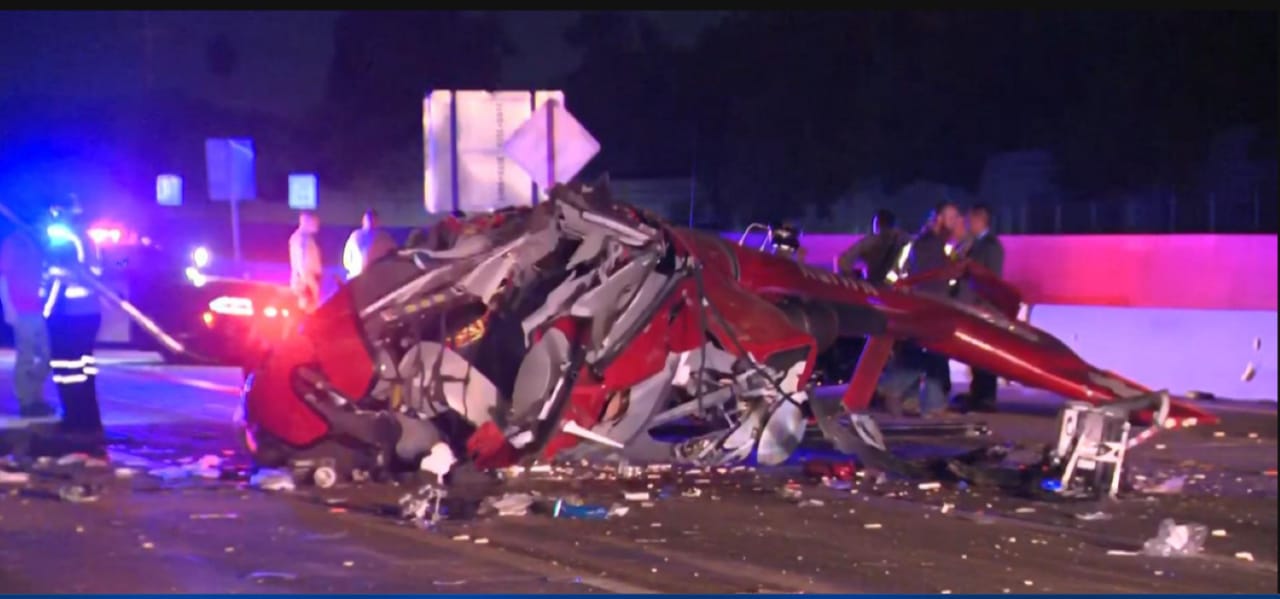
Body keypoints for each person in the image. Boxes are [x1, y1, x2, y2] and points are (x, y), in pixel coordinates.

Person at [878, 202, 963, 419]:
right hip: (928, 308)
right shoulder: (928, 245)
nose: (955, 223)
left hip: (932, 306)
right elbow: (932, 279)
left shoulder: (937, 244)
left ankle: (924, 400)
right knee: (932, 354)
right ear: (938, 219)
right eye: (951, 218)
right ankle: (908, 394)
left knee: (931, 354)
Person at [42, 196, 106, 439]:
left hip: (67, 315)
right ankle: (89, 419)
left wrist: (46, 310)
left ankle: (75, 420)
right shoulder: (87, 237)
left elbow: (57, 280)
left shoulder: (64, 238)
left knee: (67, 369)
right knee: (84, 368)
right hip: (88, 313)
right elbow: (94, 273)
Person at [955, 203, 1005, 413]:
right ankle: (978, 393)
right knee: (975, 354)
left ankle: (986, 397)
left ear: (979, 219)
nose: (967, 224)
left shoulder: (991, 246)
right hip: (973, 305)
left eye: (970, 220)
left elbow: (990, 278)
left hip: (982, 306)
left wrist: (983, 305)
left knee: (984, 354)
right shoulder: (976, 244)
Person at [1, 225, 54, 418]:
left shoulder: (40, 244)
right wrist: (8, 307)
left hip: (41, 308)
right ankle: (28, 402)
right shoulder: (14, 243)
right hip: (22, 308)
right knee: (26, 356)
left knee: (48, 355)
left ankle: (34, 396)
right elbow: (3, 277)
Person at [836, 209, 908, 284]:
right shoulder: (906, 240)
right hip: (901, 287)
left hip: (875, 287)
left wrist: (853, 280)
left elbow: (844, 262)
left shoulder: (871, 241)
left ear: (877, 224)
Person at [341, 209, 397, 280]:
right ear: (363, 221)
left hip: (377, 277)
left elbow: (393, 256)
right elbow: (346, 260)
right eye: (368, 219)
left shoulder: (384, 238)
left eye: (372, 220)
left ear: (377, 222)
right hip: (358, 276)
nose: (370, 222)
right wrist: (354, 270)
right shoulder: (355, 236)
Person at [289, 211, 323, 312]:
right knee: (310, 317)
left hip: (304, 283)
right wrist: (314, 288)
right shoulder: (303, 239)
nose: (317, 225)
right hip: (306, 285)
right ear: (307, 221)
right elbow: (302, 265)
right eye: (315, 222)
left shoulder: (297, 237)